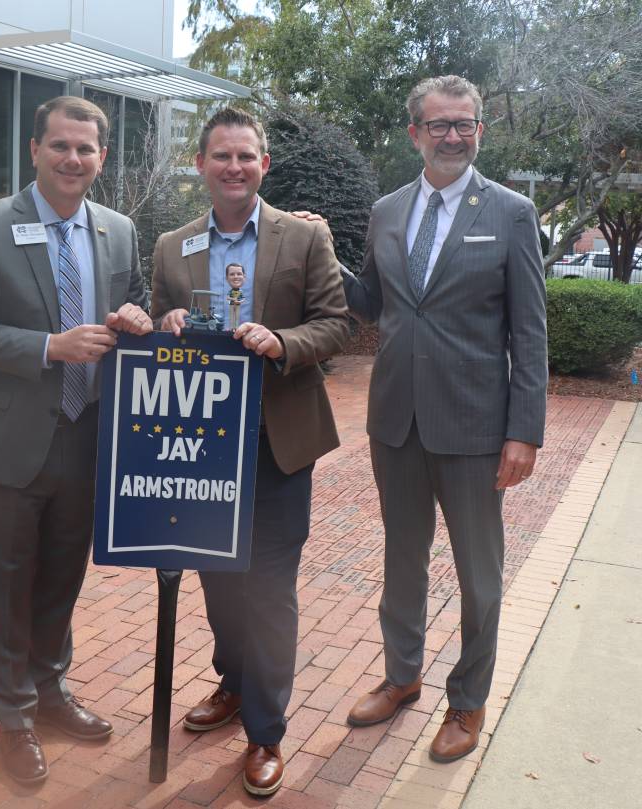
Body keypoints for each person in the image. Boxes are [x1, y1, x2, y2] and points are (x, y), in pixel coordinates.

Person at [0, 96, 152, 784]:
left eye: (85, 148)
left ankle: (51, 690)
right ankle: (13, 716)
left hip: (85, 435)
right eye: (59, 145)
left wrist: (134, 316)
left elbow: (139, 303)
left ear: (102, 157)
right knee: (4, 585)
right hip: (10, 442)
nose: (72, 159)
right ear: (35, 150)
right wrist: (50, 346)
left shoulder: (119, 230)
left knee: (62, 576)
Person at [342, 75, 547, 763]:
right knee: (402, 557)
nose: (453, 135)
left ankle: (467, 699)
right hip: (395, 419)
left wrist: (525, 429)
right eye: (440, 125)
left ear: (479, 131)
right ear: (415, 133)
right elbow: (373, 302)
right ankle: (402, 677)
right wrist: (322, 254)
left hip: (474, 427)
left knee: (477, 571)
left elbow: (531, 332)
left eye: (465, 124)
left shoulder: (513, 212)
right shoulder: (387, 210)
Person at [151, 107, 348, 796]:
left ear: (264, 164)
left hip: (277, 443)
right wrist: (165, 321)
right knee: (218, 582)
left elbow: (334, 323)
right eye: (221, 156)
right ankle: (233, 684)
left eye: (246, 156)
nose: (234, 167)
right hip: (202, 447)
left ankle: (265, 732)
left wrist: (284, 342)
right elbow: (156, 332)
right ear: (201, 164)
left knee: (268, 590)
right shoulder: (173, 246)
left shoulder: (303, 237)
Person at [225, 261, 246, 330]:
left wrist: (240, 301)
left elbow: (243, 298)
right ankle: (231, 328)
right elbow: (227, 297)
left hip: (237, 305)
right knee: (231, 316)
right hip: (231, 305)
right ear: (227, 278)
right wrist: (233, 299)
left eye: (239, 274)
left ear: (244, 277)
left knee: (237, 316)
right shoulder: (231, 291)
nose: (236, 277)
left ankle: (236, 328)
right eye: (232, 274)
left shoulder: (240, 291)